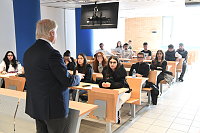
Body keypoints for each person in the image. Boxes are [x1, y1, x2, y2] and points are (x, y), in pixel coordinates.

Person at [23, 19, 83, 133]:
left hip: (36, 105)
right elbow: (67, 80)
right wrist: (78, 77)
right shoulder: (52, 53)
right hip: (53, 108)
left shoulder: (28, 52)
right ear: (51, 33)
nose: (56, 35)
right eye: (56, 32)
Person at [99, 56, 131, 123]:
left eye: (114, 62)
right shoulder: (106, 70)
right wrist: (102, 84)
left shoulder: (121, 70)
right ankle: (106, 116)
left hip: (125, 92)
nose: (112, 64)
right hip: (112, 92)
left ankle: (115, 117)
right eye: (110, 62)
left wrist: (110, 85)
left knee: (117, 102)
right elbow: (102, 80)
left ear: (117, 63)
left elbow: (121, 84)